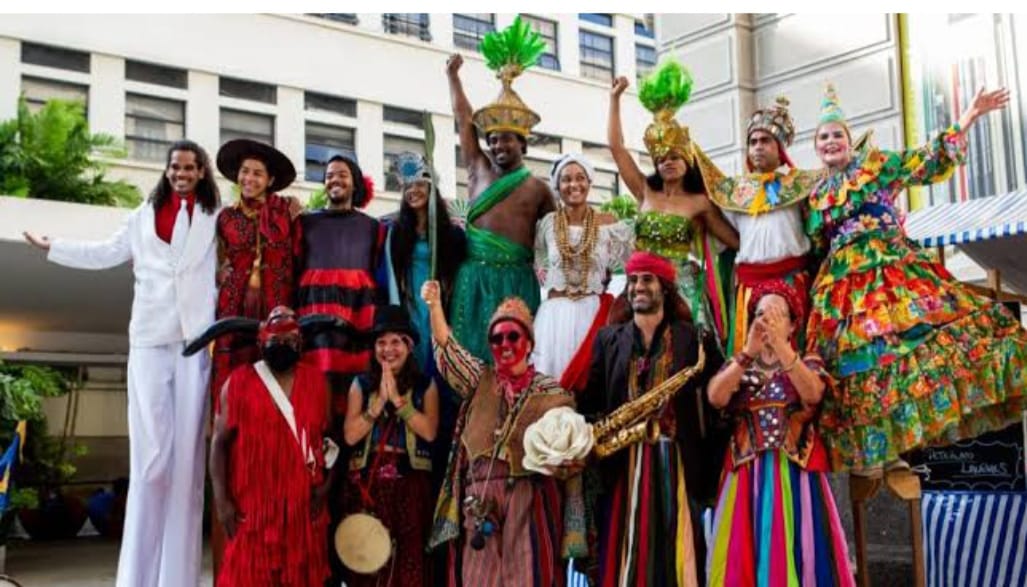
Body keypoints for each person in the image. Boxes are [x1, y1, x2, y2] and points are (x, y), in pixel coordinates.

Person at [23, 139, 220, 587]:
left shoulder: (215, 218)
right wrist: (53, 246)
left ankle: (178, 579)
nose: (181, 173)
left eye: (190, 167)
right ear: (167, 170)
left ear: (202, 171)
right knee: (152, 463)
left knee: (187, 464)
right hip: (150, 338)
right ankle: (136, 577)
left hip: (194, 341)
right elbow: (104, 253)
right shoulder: (141, 216)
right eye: (175, 166)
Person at [804, 83, 1027, 477]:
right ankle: (881, 452)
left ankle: (906, 444)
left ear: (849, 141)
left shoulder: (876, 166)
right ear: (816, 147)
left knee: (913, 349)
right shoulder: (815, 195)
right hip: (843, 295)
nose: (831, 141)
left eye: (837, 134)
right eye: (824, 137)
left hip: (891, 276)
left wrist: (969, 116)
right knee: (862, 367)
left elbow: (926, 161)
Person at [422, 280, 586, 586]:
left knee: (529, 576)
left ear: (529, 343)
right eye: (497, 338)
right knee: (477, 578)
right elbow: (448, 349)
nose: (505, 344)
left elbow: (571, 445)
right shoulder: (479, 379)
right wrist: (435, 306)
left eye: (514, 336)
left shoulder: (552, 392)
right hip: (479, 498)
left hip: (530, 496)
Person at [580, 251, 726, 587]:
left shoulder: (694, 338)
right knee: (622, 552)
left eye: (647, 279)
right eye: (632, 280)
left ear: (665, 287)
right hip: (623, 461)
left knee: (678, 552)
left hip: (677, 460)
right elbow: (591, 400)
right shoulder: (608, 339)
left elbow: (718, 400)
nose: (637, 287)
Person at [706, 280, 854, 586]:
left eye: (776, 315)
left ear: (792, 325)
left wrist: (783, 349)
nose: (767, 321)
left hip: (796, 475)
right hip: (747, 476)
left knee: (802, 551)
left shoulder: (808, 361)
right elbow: (716, 397)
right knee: (743, 558)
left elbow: (812, 394)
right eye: (761, 314)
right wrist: (747, 352)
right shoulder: (740, 366)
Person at [445, 18, 557, 362]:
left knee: (515, 359)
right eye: (492, 139)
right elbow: (463, 119)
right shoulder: (477, 168)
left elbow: (557, 237)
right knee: (469, 357)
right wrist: (453, 78)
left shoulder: (538, 188)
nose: (497, 145)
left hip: (516, 281)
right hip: (473, 277)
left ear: (522, 143)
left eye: (506, 138)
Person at [607, 61, 739, 346]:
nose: (668, 162)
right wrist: (615, 99)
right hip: (640, 286)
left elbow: (733, 240)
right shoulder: (645, 191)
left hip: (682, 290)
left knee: (686, 351)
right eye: (661, 159)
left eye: (675, 157)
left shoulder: (700, 202)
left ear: (688, 160)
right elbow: (617, 149)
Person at [200, 306, 333, 587]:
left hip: (301, 514)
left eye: (289, 342)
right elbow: (218, 445)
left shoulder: (317, 382)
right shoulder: (237, 383)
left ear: (300, 344)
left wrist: (325, 487)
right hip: (253, 513)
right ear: (261, 344)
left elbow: (330, 441)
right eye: (276, 342)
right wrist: (222, 501)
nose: (282, 347)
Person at [708, 97, 820, 355]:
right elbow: (727, 237)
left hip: (792, 280)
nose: (758, 147)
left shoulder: (801, 186)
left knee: (792, 351)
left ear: (780, 149)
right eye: (753, 142)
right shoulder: (734, 193)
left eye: (765, 141)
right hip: (750, 285)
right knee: (751, 354)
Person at [342, 305, 439, 586]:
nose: (388, 349)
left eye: (396, 341)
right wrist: (378, 405)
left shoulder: (425, 385)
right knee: (368, 565)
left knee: (407, 564)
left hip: (411, 485)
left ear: (408, 346)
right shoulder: (360, 385)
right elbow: (349, 436)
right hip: (369, 486)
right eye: (381, 342)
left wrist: (397, 400)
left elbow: (430, 432)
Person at [533, 153, 633, 392]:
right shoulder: (547, 223)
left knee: (591, 389)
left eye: (580, 178)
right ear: (557, 186)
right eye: (566, 179)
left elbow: (633, 263)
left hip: (593, 313)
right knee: (551, 388)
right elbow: (535, 259)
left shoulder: (608, 222)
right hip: (554, 318)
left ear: (590, 183)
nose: (573, 185)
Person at [212, 138, 300, 408]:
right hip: (234, 305)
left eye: (257, 173)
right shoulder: (225, 217)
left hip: (276, 302)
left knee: (274, 372)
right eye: (245, 171)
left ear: (270, 179)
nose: (249, 178)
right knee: (232, 375)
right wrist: (219, 274)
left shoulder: (288, 211)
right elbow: (216, 261)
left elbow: (299, 255)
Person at [296, 154, 385, 410]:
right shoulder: (305, 222)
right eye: (329, 176)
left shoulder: (373, 227)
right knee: (316, 375)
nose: (335, 179)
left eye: (342, 174)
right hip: (315, 305)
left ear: (355, 183)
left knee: (356, 379)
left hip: (358, 309)